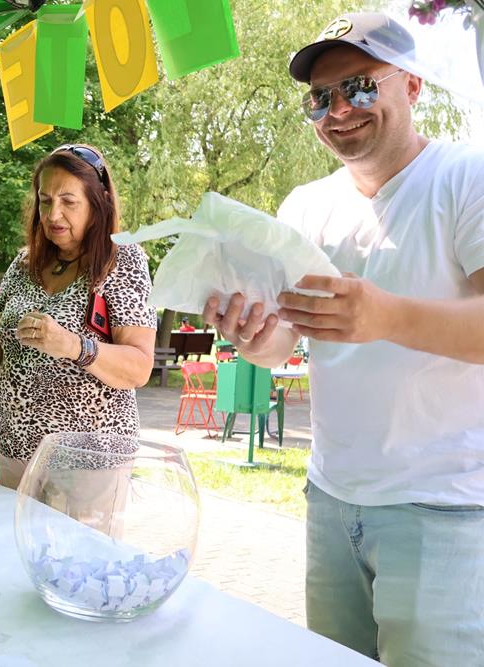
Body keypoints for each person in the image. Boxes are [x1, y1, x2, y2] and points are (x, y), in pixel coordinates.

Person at [202, 13, 484, 665]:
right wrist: (250, 337)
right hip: (330, 500)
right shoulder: (304, 206)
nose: (338, 111)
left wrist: (384, 316)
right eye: (320, 98)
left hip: (444, 509)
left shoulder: (465, 177)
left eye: (358, 87)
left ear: (411, 85)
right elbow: (282, 347)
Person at [0, 144, 157, 490]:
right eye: (45, 201)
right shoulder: (24, 265)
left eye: (68, 202)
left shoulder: (123, 261)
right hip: (16, 453)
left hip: (88, 463)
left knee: (78, 547)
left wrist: (72, 345)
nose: (53, 215)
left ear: (98, 202)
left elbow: (138, 366)